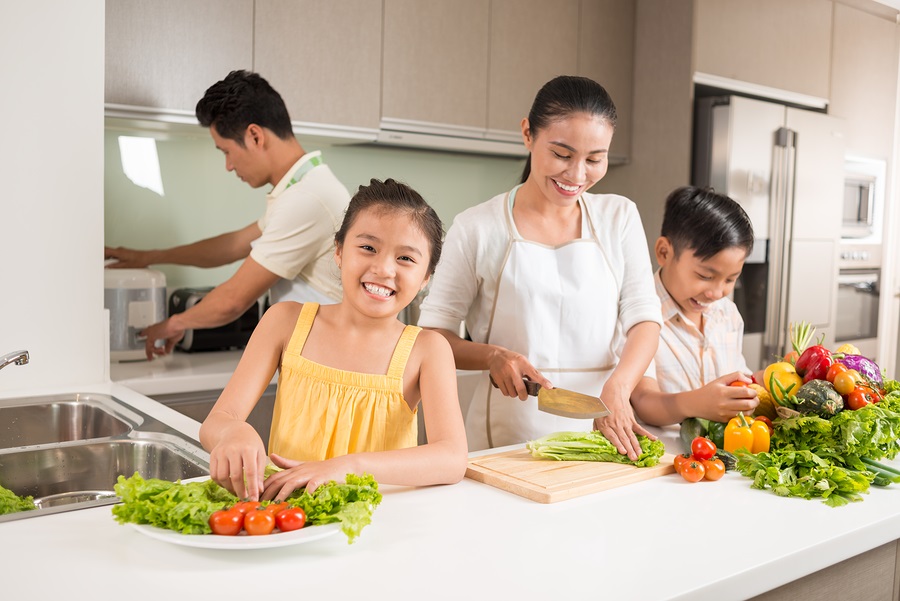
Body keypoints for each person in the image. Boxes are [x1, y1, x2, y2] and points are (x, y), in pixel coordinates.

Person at [417, 75, 662, 459]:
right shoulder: (477, 227)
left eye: (595, 159)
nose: (578, 175)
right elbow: (431, 336)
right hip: (507, 438)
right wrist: (492, 357)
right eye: (562, 155)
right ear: (528, 134)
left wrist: (619, 387)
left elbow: (645, 319)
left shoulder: (620, 217)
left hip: (604, 430)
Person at [199, 178, 468, 501]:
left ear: (426, 278)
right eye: (368, 248)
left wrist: (347, 467)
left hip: (378, 526)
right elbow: (216, 422)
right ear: (339, 251)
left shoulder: (428, 349)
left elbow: (452, 458)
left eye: (406, 259)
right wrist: (232, 431)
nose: (383, 269)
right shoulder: (285, 321)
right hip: (288, 519)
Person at [105, 70, 351, 360]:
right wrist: (149, 257)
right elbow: (234, 245)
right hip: (319, 360)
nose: (229, 166)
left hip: (330, 365)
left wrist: (174, 323)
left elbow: (234, 300)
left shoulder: (306, 198)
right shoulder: (304, 185)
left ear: (255, 136)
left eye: (226, 151)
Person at [630, 186, 760, 426]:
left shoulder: (727, 312)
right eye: (705, 276)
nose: (717, 293)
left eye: (730, 279)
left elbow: (738, 378)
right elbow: (643, 400)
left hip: (719, 459)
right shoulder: (638, 312)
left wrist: (768, 379)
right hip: (662, 456)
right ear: (664, 252)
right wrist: (696, 403)